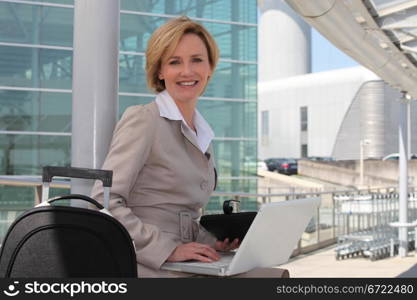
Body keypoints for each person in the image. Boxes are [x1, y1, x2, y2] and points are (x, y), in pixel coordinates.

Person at [91, 16, 239, 277]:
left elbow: (182, 216)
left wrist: (212, 242)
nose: (187, 71)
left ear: (210, 68)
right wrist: (166, 249)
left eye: (196, 60)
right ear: (160, 71)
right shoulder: (144, 119)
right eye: (174, 62)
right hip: (148, 266)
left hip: (184, 262)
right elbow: (103, 201)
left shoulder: (201, 132)